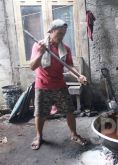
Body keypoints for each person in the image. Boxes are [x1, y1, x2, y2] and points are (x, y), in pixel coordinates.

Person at [29, 19, 88, 150]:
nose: (62, 36)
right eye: (59, 33)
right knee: (40, 113)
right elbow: (32, 66)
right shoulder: (39, 45)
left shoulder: (65, 49)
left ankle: (73, 134)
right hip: (42, 85)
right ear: (50, 31)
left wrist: (79, 76)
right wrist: (41, 52)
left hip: (60, 85)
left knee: (69, 110)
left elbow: (70, 66)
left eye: (64, 33)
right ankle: (39, 136)